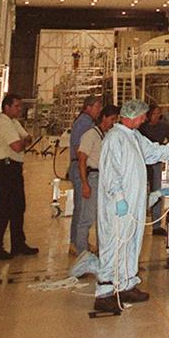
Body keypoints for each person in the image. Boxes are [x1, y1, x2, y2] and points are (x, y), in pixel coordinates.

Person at [93, 98, 169, 314]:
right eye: (142, 117)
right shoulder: (115, 138)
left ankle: (126, 284)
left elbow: (153, 153)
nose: (144, 120)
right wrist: (118, 197)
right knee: (114, 245)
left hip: (134, 204)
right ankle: (104, 293)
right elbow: (111, 171)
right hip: (118, 205)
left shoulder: (134, 136)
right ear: (134, 116)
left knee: (131, 244)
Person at [0, 93, 39, 260]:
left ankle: (18, 243)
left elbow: (27, 137)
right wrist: (23, 142)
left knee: (18, 207)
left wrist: (23, 141)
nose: (19, 109)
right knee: (3, 208)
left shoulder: (14, 122)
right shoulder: (4, 123)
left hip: (14, 168)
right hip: (4, 169)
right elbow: (18, 146)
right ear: (7, 107)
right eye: (16, 106)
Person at [72, 103, 120, 257]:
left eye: (116, 120)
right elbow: (81, 161)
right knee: (87, 218)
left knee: (103, 219)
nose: (113, 123)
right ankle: (82, 252)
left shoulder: (107, 136)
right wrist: (85, 184)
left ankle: (103, 252)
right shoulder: (90, 135)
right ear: (104, 117)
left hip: (105, 179)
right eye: (112, 119)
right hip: (93, 178)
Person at [67, 94, 103, 255]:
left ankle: (80, 241)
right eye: (97, 107)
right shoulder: (83, 123)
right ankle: (76, 243)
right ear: (88, 107)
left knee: (83, 207)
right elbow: (79, 148)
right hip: (80, 166)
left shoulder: (88, 123)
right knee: (81, 208)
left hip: (83, 166)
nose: (99, 110)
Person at [139, 103, 169, 236]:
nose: (157, 116)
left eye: (159, 113)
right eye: (154, 113)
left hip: (156, 163)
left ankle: (156, 224)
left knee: (157, 191)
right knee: (141, 192)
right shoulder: (142, 128)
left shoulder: (163, 126)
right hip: (142, 163)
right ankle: (139, 220)